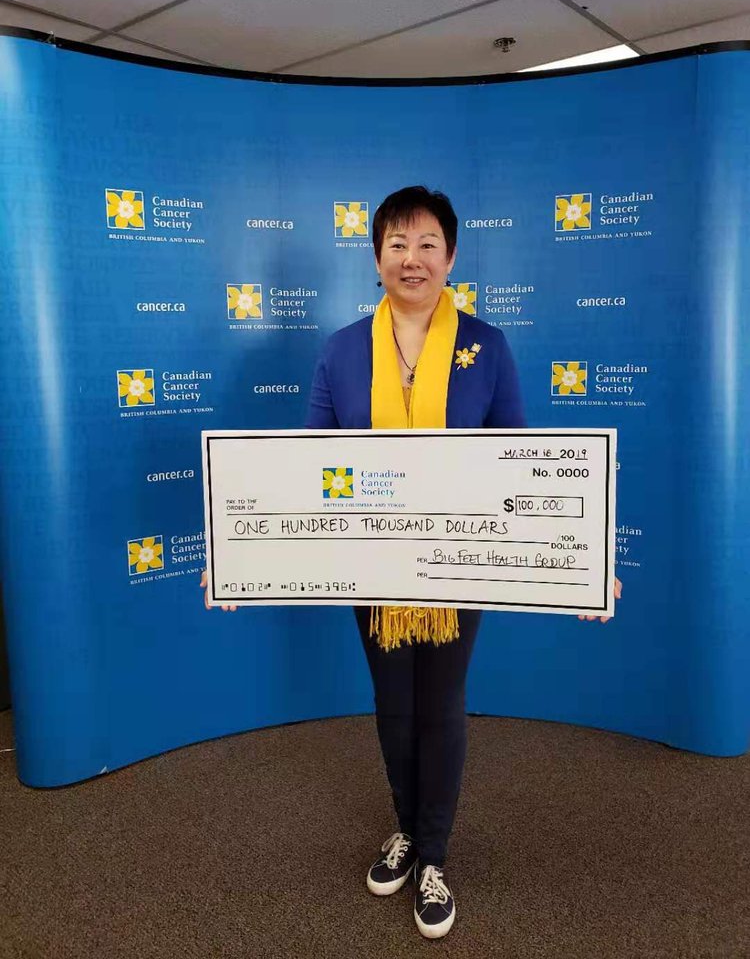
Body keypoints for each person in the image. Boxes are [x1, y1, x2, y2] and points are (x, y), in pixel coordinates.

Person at [201, 185, 621, 940]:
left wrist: (580, 561)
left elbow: (523, 463)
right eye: (397, 244)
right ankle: (405, 828)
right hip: (373, 569)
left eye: (428, 243)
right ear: (376, 259)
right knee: (394, 706)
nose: (412, 258)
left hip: (459, 567)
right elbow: (304, 468)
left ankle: (434, 857)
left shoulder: (486, 347)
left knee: (442, 705)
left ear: (451, 256)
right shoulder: (341, 351)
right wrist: (237, 551)